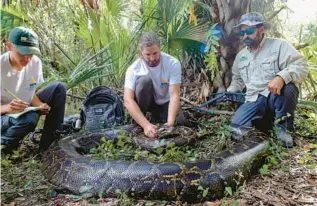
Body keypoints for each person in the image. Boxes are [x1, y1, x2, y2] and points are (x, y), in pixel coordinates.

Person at [227, 12, 308, 147]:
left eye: (250, 31)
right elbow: (237, 79)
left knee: (289, 88)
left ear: (261, 29)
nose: (245, 36)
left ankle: (283, 130)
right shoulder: (241, 56)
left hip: (274, 96)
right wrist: (231, 89)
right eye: (242, 33)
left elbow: (301, 65)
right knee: (236, 128)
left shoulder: (279, 46)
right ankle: (266, 126)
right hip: (253, 99)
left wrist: (281, 77)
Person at [1, 27, 67, 154]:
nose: (27, 59)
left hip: (23, 108)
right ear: (9, 46)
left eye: (30, 54)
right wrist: (7, 108)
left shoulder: (35, 63)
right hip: (4, 114)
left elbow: (30, 92)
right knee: (30, 118)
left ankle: (49, 145)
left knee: (59, 88)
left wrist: (39, 105)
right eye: (22, 53)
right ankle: (4, 146)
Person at [124, 32, 183, 138]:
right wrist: (145, 125)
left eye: (155, 53)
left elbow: (174, 94)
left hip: (165, 103)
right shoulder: (133, 69)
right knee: (144, 82)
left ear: (160, 49)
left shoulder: (172, 63)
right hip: (146, 103)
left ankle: (157, 119)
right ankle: (141, 121)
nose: (152, 58)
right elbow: (128, 100)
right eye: (148, 54)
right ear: (141, 53)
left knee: (179, 122)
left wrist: (169, 124)